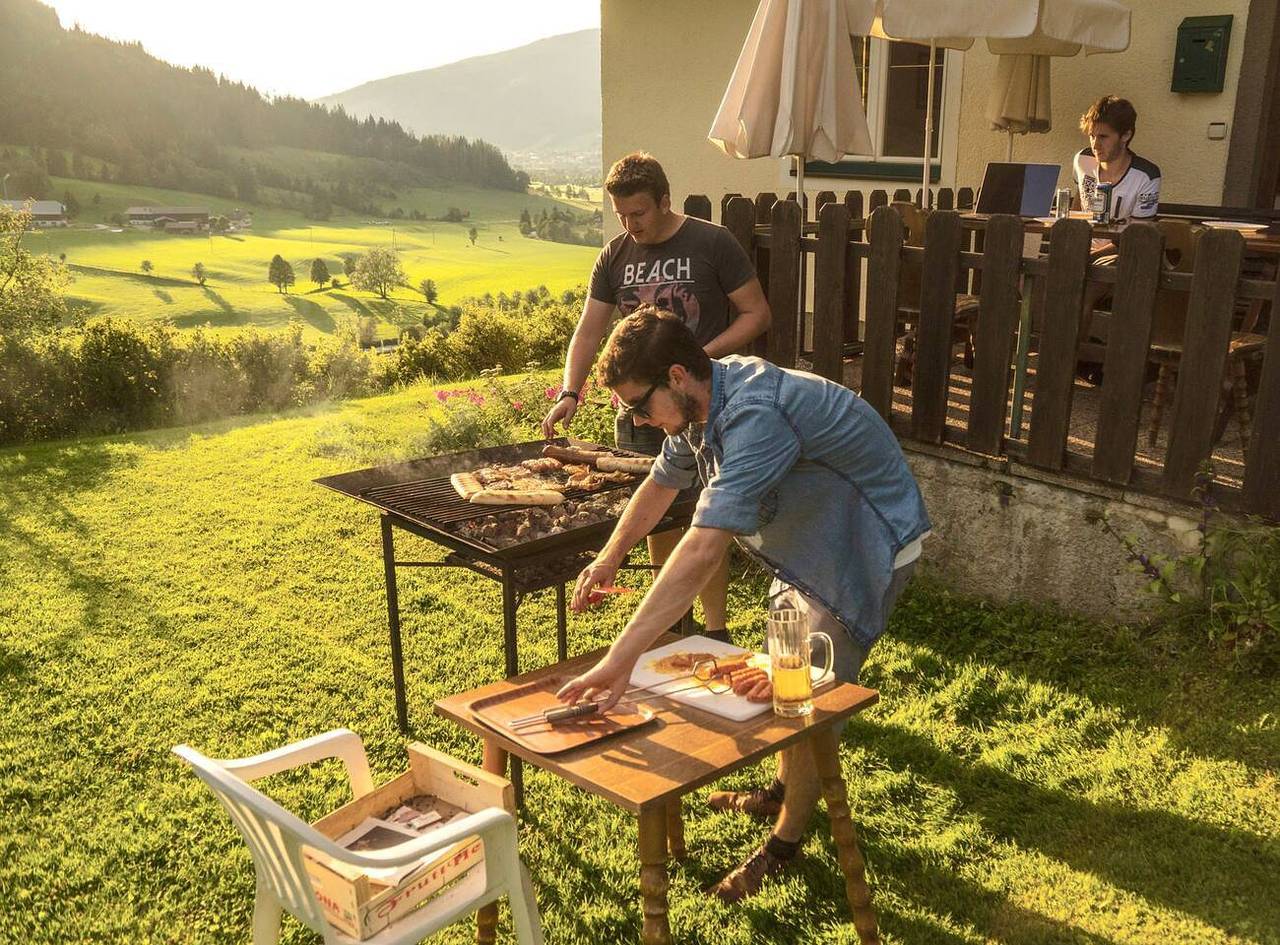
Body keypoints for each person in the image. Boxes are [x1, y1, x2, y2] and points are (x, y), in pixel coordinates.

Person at [556, 306, 930, 903]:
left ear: (677, 376)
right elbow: (661, 485)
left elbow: (704, 548)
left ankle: (784, 846)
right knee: (783, 676)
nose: (639, 421)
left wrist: (620, 659)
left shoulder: (755, 414)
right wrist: (610, 554)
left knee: (803, 699)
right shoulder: (701, 402)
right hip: (807, 546)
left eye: (639, 405)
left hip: (861, 544)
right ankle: (785, 793)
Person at [542, 152, 771, 642]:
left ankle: (714, 628)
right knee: (660, 511)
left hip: (697, 402)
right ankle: (673, 622)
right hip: (642, 409)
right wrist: (570, 392)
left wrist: (694, 363)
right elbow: (587, 333)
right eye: (621, 216)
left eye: (639, 214)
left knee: (702, 516)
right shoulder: (614, 256)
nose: (630, 225)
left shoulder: (712, 242)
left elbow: (756, 314)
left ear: (666, 200)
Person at [1073, 96, 1163, 380]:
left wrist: (1090, 254)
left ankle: (1070, 358)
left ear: (1126, 136)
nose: (1095, 144)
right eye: (1091, 135)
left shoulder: (1146, 175)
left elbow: (1138, 236)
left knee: (1083, 287)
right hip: (1084, 245)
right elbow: (1078, 205)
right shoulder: (1082, 160)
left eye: (1103, 136)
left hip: (1123, 254)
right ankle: (1062, 352)